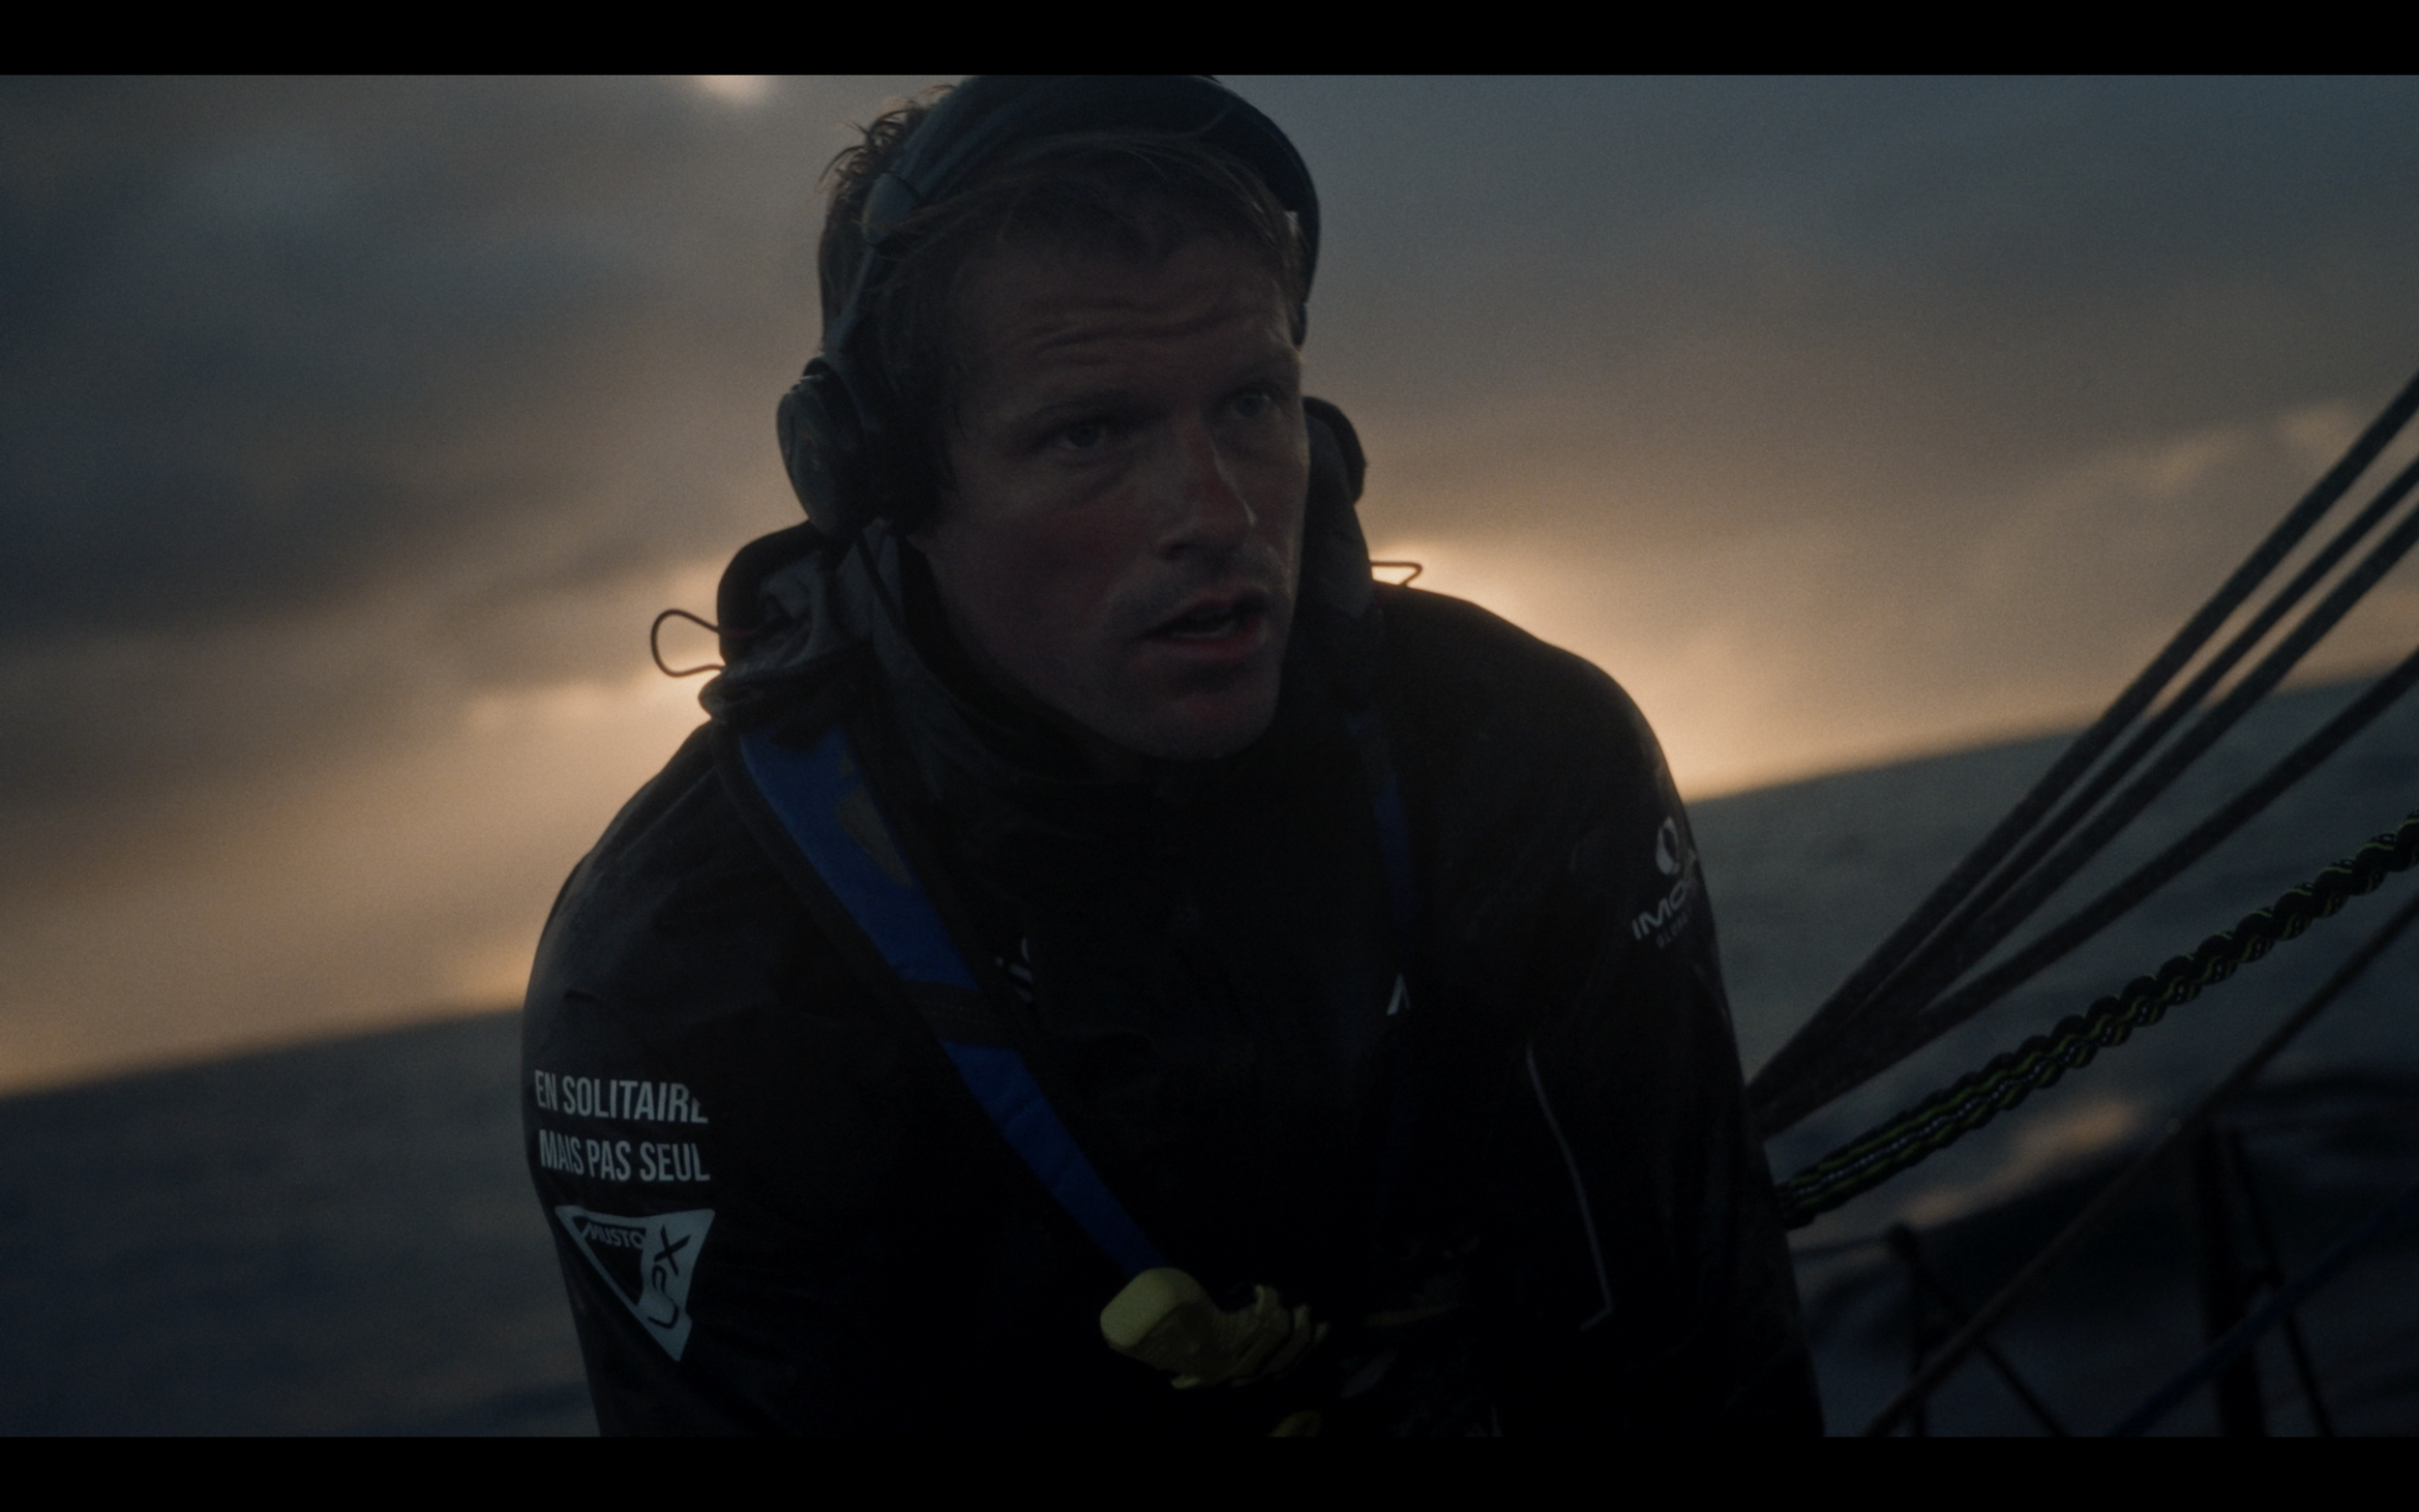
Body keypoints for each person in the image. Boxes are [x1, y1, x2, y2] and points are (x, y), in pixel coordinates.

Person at [523, 74, 1820, 1436]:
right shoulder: (687, 974)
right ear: (880, 481)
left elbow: (1700, 1380)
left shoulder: (1525, 761)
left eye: (1251, 402)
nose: (1216, 511)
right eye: (1092, 431)